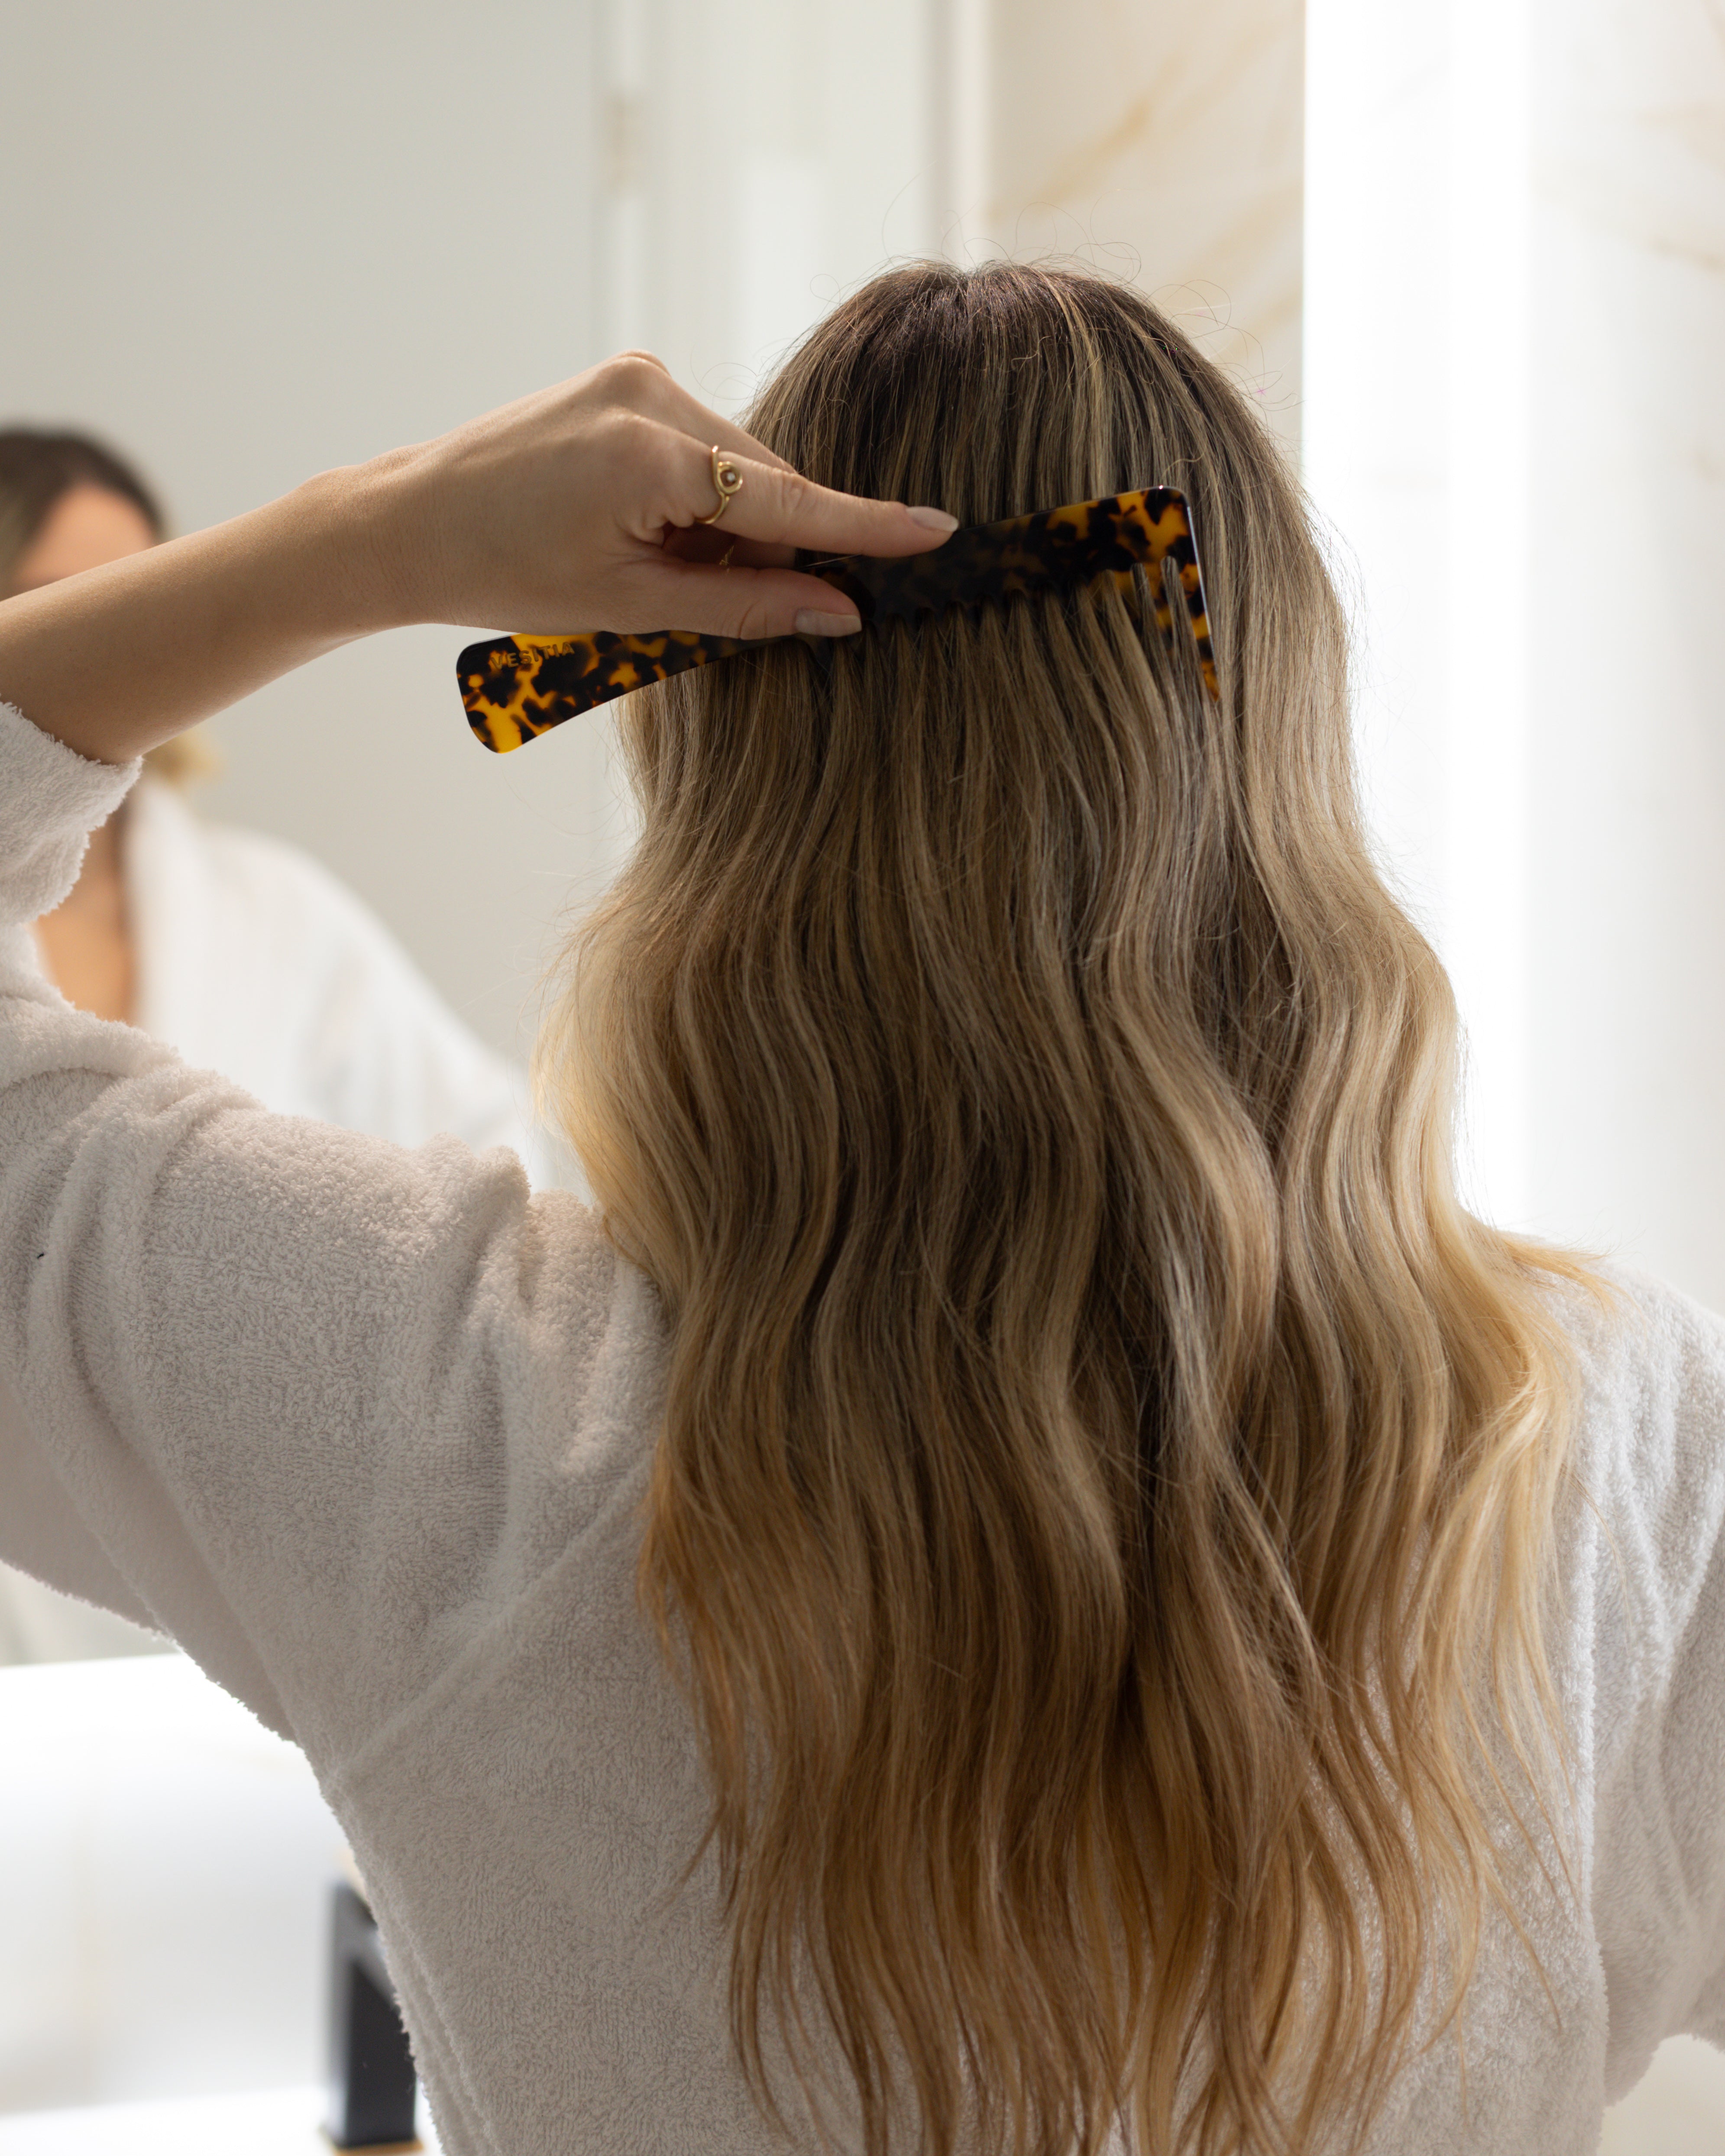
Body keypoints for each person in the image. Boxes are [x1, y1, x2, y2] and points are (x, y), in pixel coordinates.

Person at [0, 266, 1718, 2156]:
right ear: (1288, 743)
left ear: (705, 755)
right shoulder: (1622, 1461)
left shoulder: (444, 1418)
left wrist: (371, 540)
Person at [0, 428, 563, 1663]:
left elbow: (517, 1193)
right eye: (63, 612)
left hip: (261, 1669)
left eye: (145, 597)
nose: (133, 650)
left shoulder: (278, 919)